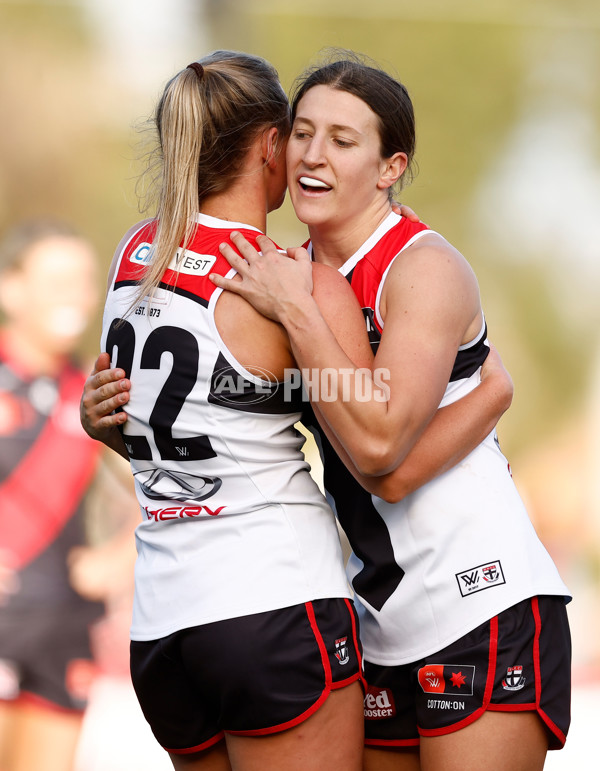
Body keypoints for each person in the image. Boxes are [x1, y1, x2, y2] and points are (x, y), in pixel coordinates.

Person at [81, 50, 514, 771]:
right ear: (267, 147)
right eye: (299, 135)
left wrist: (102, 428)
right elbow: (375, 436)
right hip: (272, 605)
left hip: (162, 628)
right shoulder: (292, 280)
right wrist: (491, 387)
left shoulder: (133, 256)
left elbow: (190, 432)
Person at [208, 52, 572, 771]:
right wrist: (114, 426)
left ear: (389, 167)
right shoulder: (289, 274)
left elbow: (379, 452)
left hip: (480, 601)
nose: (314, 155)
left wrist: (298, 313)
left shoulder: (422, 267)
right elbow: (229, 436)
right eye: (303, 133)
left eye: (343, 141)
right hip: (375, 616)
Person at [0, 219, 116, 771]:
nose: (74, 294)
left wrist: (118, 560)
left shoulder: (96, 392)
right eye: (57, 279)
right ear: (10, 288)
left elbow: (172, 486)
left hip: (64, 629)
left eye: (83, 279)